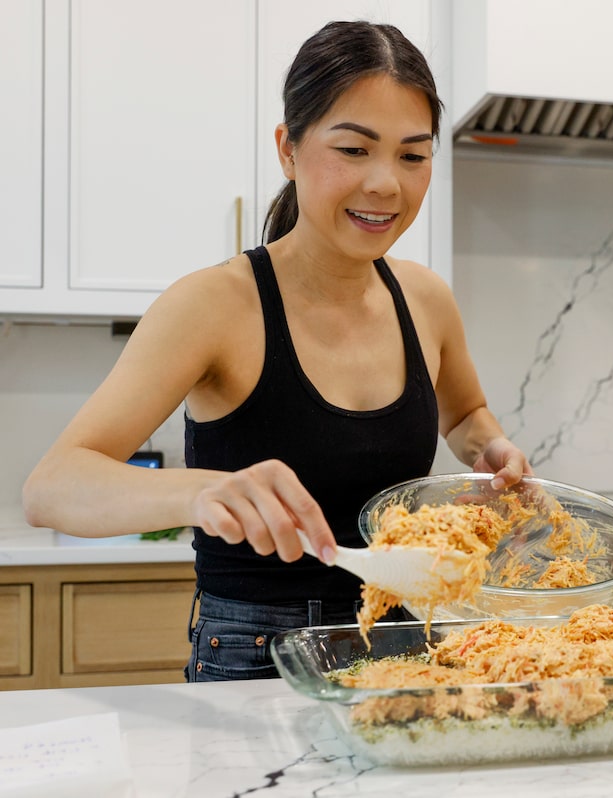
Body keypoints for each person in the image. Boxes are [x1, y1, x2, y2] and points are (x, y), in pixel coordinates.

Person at [22, 20, 533, 681]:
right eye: (353, 149)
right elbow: (52, 486)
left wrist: (488, 449)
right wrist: (202, 494)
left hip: (405, 643)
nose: (386, 184)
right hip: (253, 652)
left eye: (413, 156)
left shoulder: (425, 298)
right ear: (288, 149)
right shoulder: (213, 304)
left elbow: (464, 416)